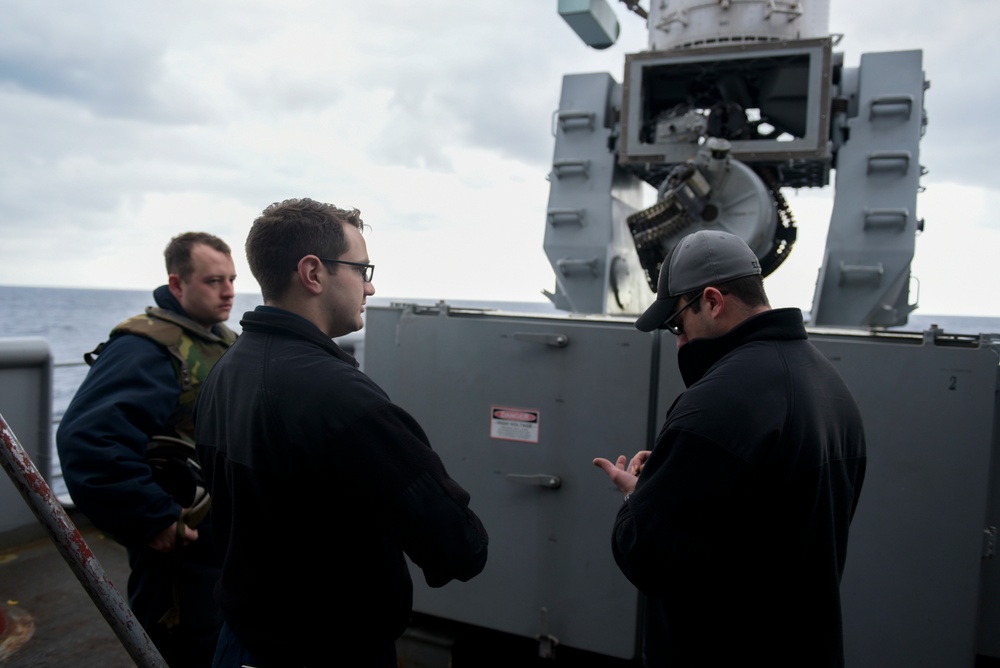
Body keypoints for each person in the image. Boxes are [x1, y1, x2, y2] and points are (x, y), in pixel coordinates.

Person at [194, 197, 489, 667]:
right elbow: (458, 546)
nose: (370, 287)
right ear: (313, 273)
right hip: (327, 651)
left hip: (241, 642)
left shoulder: (225, 371)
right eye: (362, 269)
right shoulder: (342, 398)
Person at [593, 230, 867, 667]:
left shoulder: (715, 404)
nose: (679, 341)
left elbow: (645, 553)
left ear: (713, 301)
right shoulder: (830, 387)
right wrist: (666, 477)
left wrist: (635, 495)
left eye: (678, 324)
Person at [57, 232, 237, 666]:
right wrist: (151, 516)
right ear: (177, 285)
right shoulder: (146, 348)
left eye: (231, 279)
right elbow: (88, 438)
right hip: (180, 552)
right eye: (214, 281)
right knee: (181, 649)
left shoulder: (222, 340)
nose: (229, 291)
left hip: (222, 545)